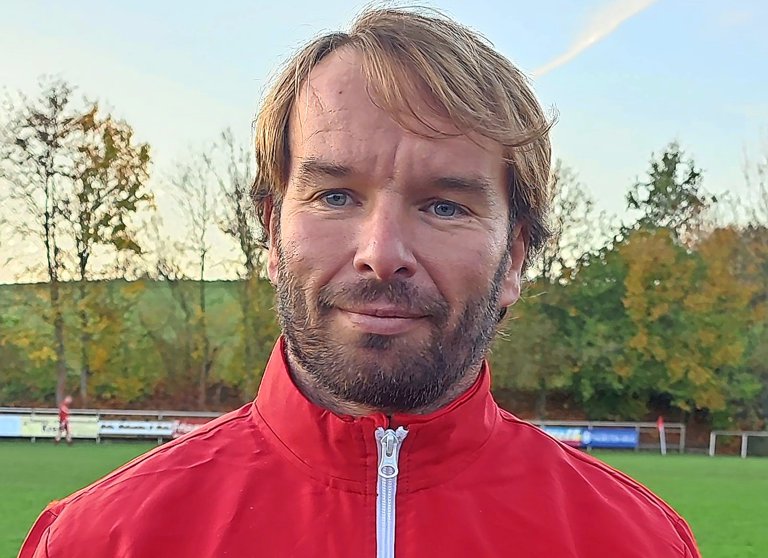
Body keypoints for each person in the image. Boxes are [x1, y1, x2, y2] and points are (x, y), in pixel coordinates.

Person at [20, 8, 701, 558]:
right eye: (335, 196)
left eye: (444, 206)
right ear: (272, 234)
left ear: (515, 256)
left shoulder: (640, 544)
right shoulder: (94, 543)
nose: (382, 253)